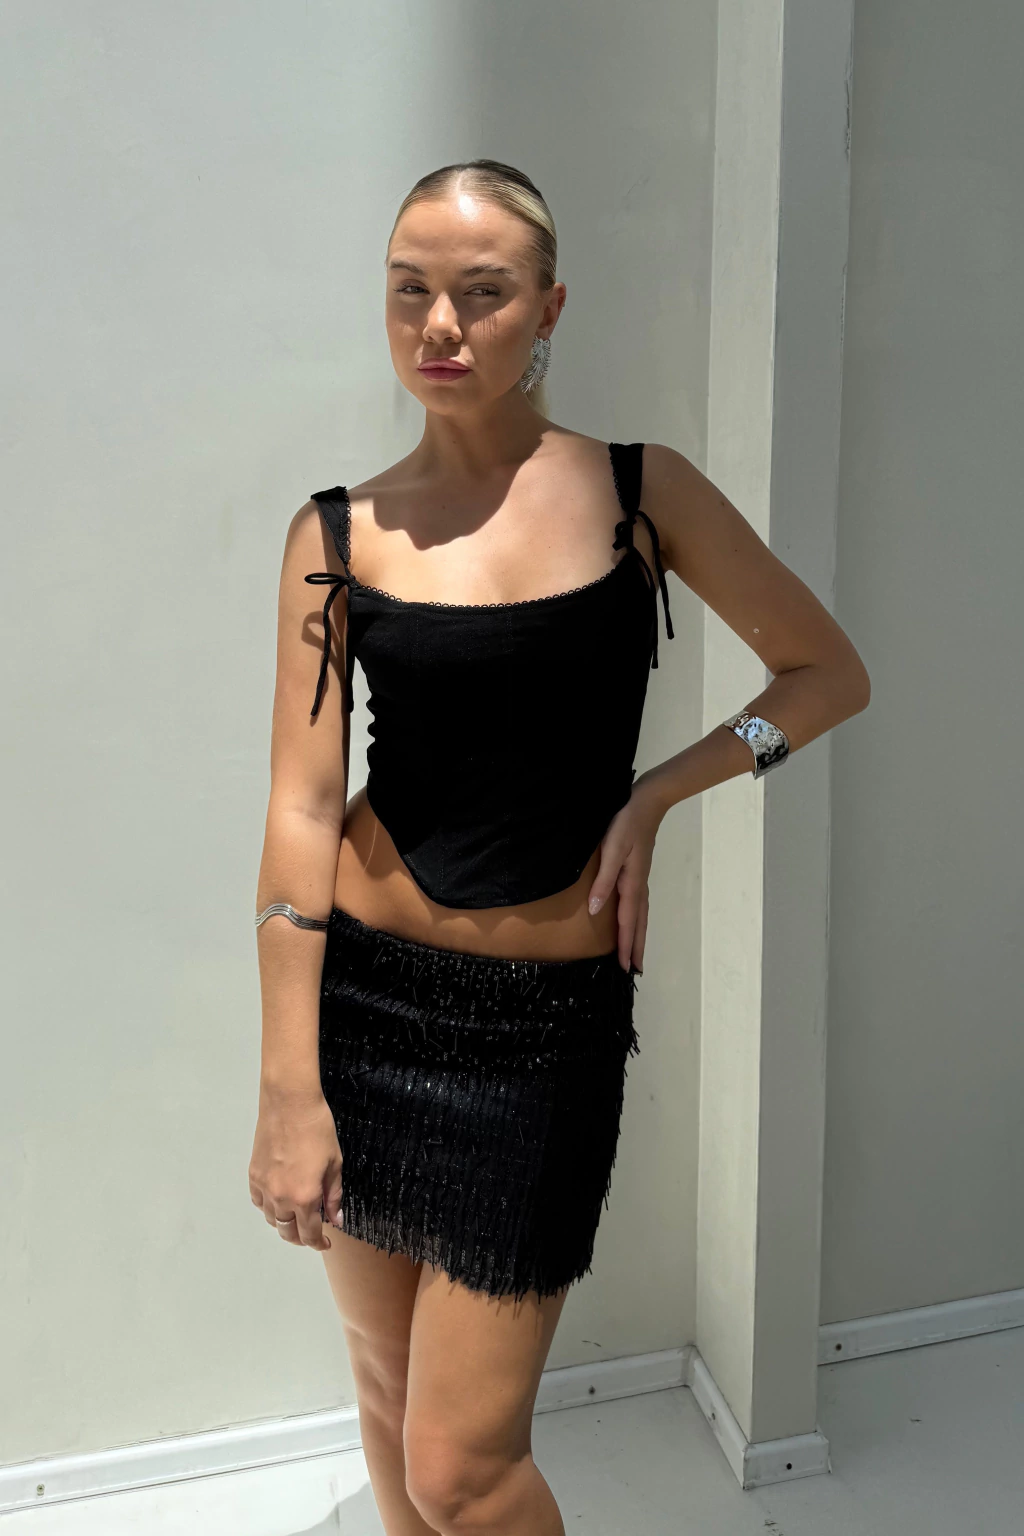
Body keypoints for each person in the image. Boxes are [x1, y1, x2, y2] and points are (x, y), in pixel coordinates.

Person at [248, 158, 870, 1536]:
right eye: (410, 291)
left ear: (549, 306)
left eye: (482, 292)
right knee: (386, 1393)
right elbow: (300, 812)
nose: (441, 324)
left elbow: (825, 675)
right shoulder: (336, 534)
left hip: (543, 1036)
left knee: (463, 1471)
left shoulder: (643, 494)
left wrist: (664, 792)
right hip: (365, 1008)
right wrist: (290, 1087)